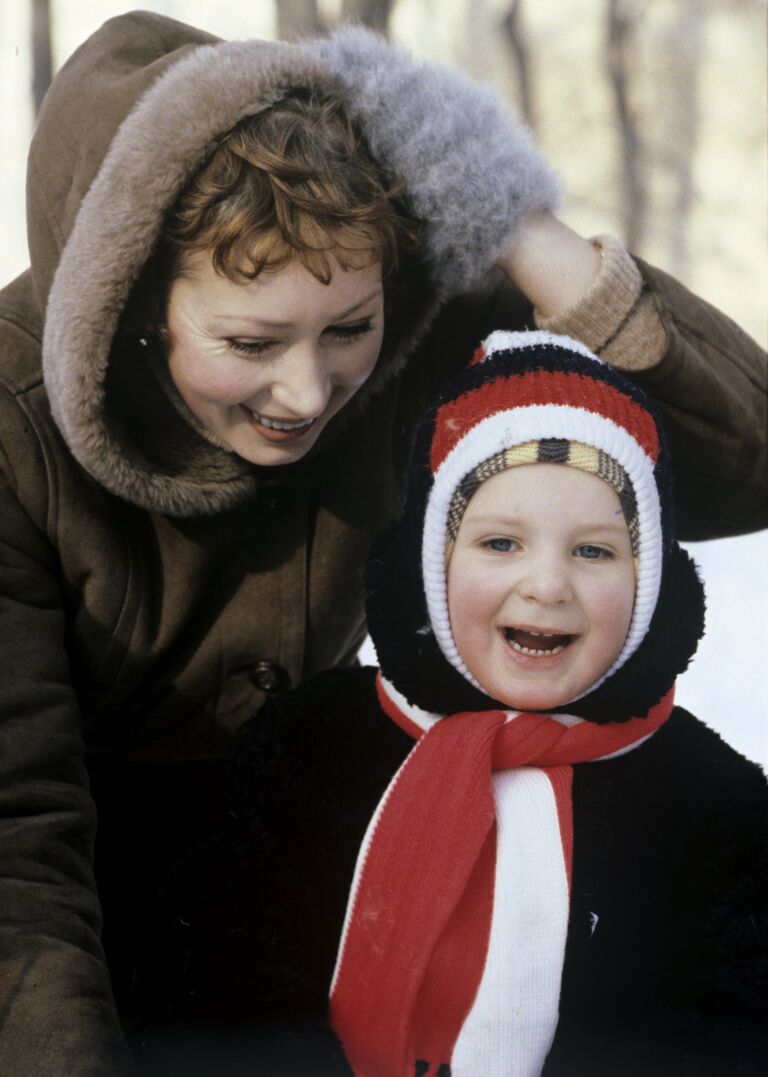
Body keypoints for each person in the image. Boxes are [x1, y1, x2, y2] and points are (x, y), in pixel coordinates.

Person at [0, 9, 765, 1073]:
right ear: (135, 300)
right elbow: (16, 837)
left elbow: (743, 459)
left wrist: (521, 228)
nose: (307, 391)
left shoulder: (406, 331)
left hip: (294, 881)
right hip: (65, 951)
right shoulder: (11, 423)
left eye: (346, 331)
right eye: (249, 341)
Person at [153, 331, 768, 1076]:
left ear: (650, 583)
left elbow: (715, 1032)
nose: (547, 585)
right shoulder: (314, 743)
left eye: (594, 550)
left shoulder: (716, 807)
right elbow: (225, 981)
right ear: (431, 562)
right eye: (501, 543)